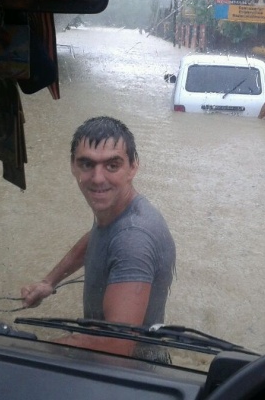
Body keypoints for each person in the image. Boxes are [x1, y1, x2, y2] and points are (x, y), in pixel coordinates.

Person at [20, 116, 176, 361]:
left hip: (131, 375)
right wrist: (49, 282)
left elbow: (117, 344)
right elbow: (97, 235)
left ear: (133, 167)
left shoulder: (133, 239)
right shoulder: (114, 214)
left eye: (112, 165)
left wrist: (34, 353)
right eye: (87, 164)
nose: (98, 178)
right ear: (72, 166)